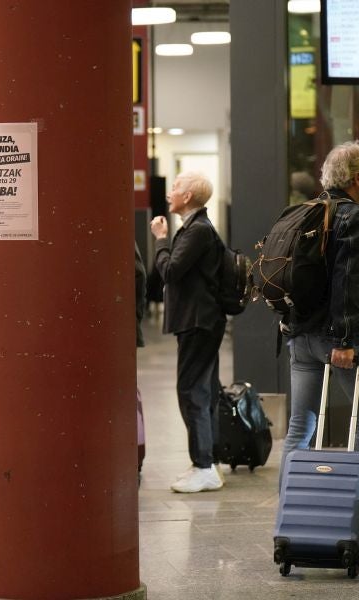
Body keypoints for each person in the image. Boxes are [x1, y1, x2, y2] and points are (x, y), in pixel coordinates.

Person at [281, 141, 359, 543]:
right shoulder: (354, 217)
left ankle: (289, 520)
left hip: (300, 336)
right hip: (340, 339)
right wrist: (345, 339)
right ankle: (351, 515)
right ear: (358, 178)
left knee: (299, 428)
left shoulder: (305, 211)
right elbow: (349, 280)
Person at [150, 171, 226, 493]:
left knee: (191, 392)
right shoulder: (197, 228)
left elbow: (170, 271)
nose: (171, 192)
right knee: (204, 391)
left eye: (177, 187)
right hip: (202, 320)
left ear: (190, 195)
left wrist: (160, 240)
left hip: (199, 321)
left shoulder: (197, 231)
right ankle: (206, 461)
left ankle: (204, 466)